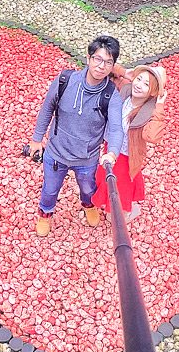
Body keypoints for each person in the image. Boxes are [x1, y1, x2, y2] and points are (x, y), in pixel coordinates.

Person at [26, 36, 125, 236]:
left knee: (89, 189)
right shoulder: (66, 80)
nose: (101, 66)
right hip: (56, 153)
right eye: (97, 59)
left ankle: (88, 205)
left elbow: (116, 128)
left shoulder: (110, 94)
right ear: (88, 58)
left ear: (113, 65)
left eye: (108, 62)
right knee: (50, 190)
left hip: (86, 158)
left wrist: (112, 153)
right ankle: (45, 214)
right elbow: (47, 108)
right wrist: (37, 139)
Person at [92, 65, 167, 223]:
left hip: (127, 155)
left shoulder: (149, 111)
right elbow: (105, 68)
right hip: (111, 146)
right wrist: (126, 72)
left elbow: (152, 136)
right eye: (139, 79)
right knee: (105, 177)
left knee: (121, 186)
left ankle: (123, 213)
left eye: (146, 84)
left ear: (153, 92)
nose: (139, 85)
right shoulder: (124, 92)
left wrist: (160, 106)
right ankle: (113, 207)